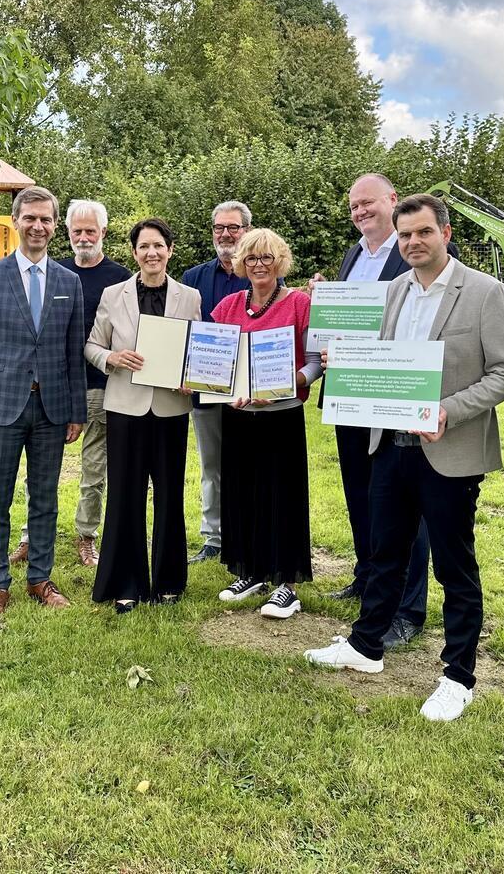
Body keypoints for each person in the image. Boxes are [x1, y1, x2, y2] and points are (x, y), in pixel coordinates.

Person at [305, 194, 504, 723]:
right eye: (405, 236)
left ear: (446, 234)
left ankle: (458, 675)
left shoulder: (484, 293)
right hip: (391, 446)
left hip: (447, 450)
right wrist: (345, 360)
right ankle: (366, 646)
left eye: (423, 232)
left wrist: (449, 410)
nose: (413, 243)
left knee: (454, 565)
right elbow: (381, 358)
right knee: (384, 553)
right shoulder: (395, 290)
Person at [315, 173, 458, 652]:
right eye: (354, 205)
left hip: (395, 395)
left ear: (392, 203)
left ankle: (407, 607)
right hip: (351, 393)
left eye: (368, 203)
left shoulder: (416, 253)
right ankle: (368, 577)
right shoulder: (354, 254)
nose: (360, 212)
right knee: (362, 492)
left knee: (405, 504)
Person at [0, 185, 87, 620]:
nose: (38, 226)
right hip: (0, 407)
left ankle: (40, 577)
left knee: (45, 497)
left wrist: (76, 411)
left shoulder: (69, 282)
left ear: (56, 225)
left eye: (46, 219)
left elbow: (73, 352)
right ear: (15, 221)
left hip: (51, 408)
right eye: (30, 218)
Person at [85, 218, 202, 612]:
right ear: (134, 253)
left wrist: (193, 378)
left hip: (171, 409)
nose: (152, 253)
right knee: (125, 497)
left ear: (170, 250)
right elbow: (92, 346)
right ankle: (127, 582)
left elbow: (199, 353)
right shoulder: (112, 294)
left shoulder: (190, 297)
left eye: (159, 245)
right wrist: (112, 358)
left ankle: (169, 580)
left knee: (170, 495)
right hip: (125, 409)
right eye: (144, 246)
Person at [9, 199, 130, 568]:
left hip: (100, 385)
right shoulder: (52, 272)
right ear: (68, 232)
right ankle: (32, 534)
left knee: (94, 469)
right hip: (51, 387)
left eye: (90, 230)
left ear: (103, 233)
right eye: (76, 231)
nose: (83, 237)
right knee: (40, 468)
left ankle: (85, 536)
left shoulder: (122, 279)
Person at [209, 228, 323, 620]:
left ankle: (286, 584)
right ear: (241, 263)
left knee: (282, 496)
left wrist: (281, 388)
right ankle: (249, 572)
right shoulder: (227, 306)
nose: (259, 265)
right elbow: (213, 361)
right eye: (252, 258)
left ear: (280, 261)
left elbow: (314, 362)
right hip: (238, 416)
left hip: (281, 416)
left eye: (267, 258)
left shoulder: (299, 304)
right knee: (241, 494)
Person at [180, 201, 254, 563]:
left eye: (233, 228)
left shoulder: (260, 273)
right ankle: (213, 537)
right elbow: (182, 330)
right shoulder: (192, 279)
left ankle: (248, 532)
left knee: (248, 464)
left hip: (251, 391)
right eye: (219, 228)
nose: (226, 234)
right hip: (205, 390)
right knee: (211, 466)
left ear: (246, 231)